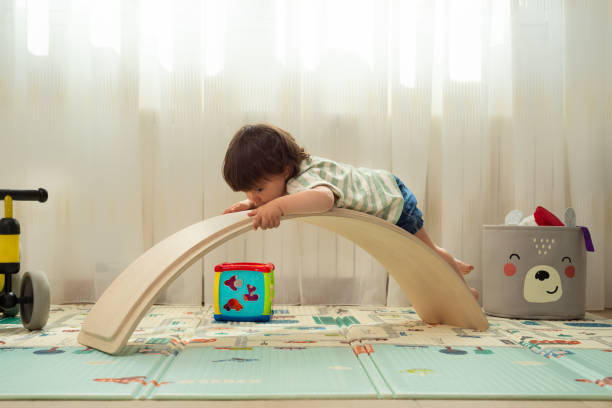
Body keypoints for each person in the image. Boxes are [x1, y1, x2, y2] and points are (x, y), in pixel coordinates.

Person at [222, 123, 478, 300]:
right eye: (247, 193)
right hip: (385, 188)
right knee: (426, 253)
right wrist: (252, 205)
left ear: (286, 172)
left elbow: (324, 199)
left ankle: (465, 291)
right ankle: (452, 262)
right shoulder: (288, 176)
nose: (254, 198)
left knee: (428, 252)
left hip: (391, 200)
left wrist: (275, 206)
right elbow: (277, 194)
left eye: (258, 190)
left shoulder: (305, 180)